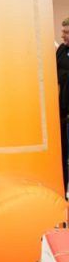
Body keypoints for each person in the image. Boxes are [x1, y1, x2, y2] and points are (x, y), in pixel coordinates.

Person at [57, 18, 69, 193]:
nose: (62, 35)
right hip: (62, 112)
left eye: (66, 32)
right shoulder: (61, 50)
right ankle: (62, 192)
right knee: (62, 155)